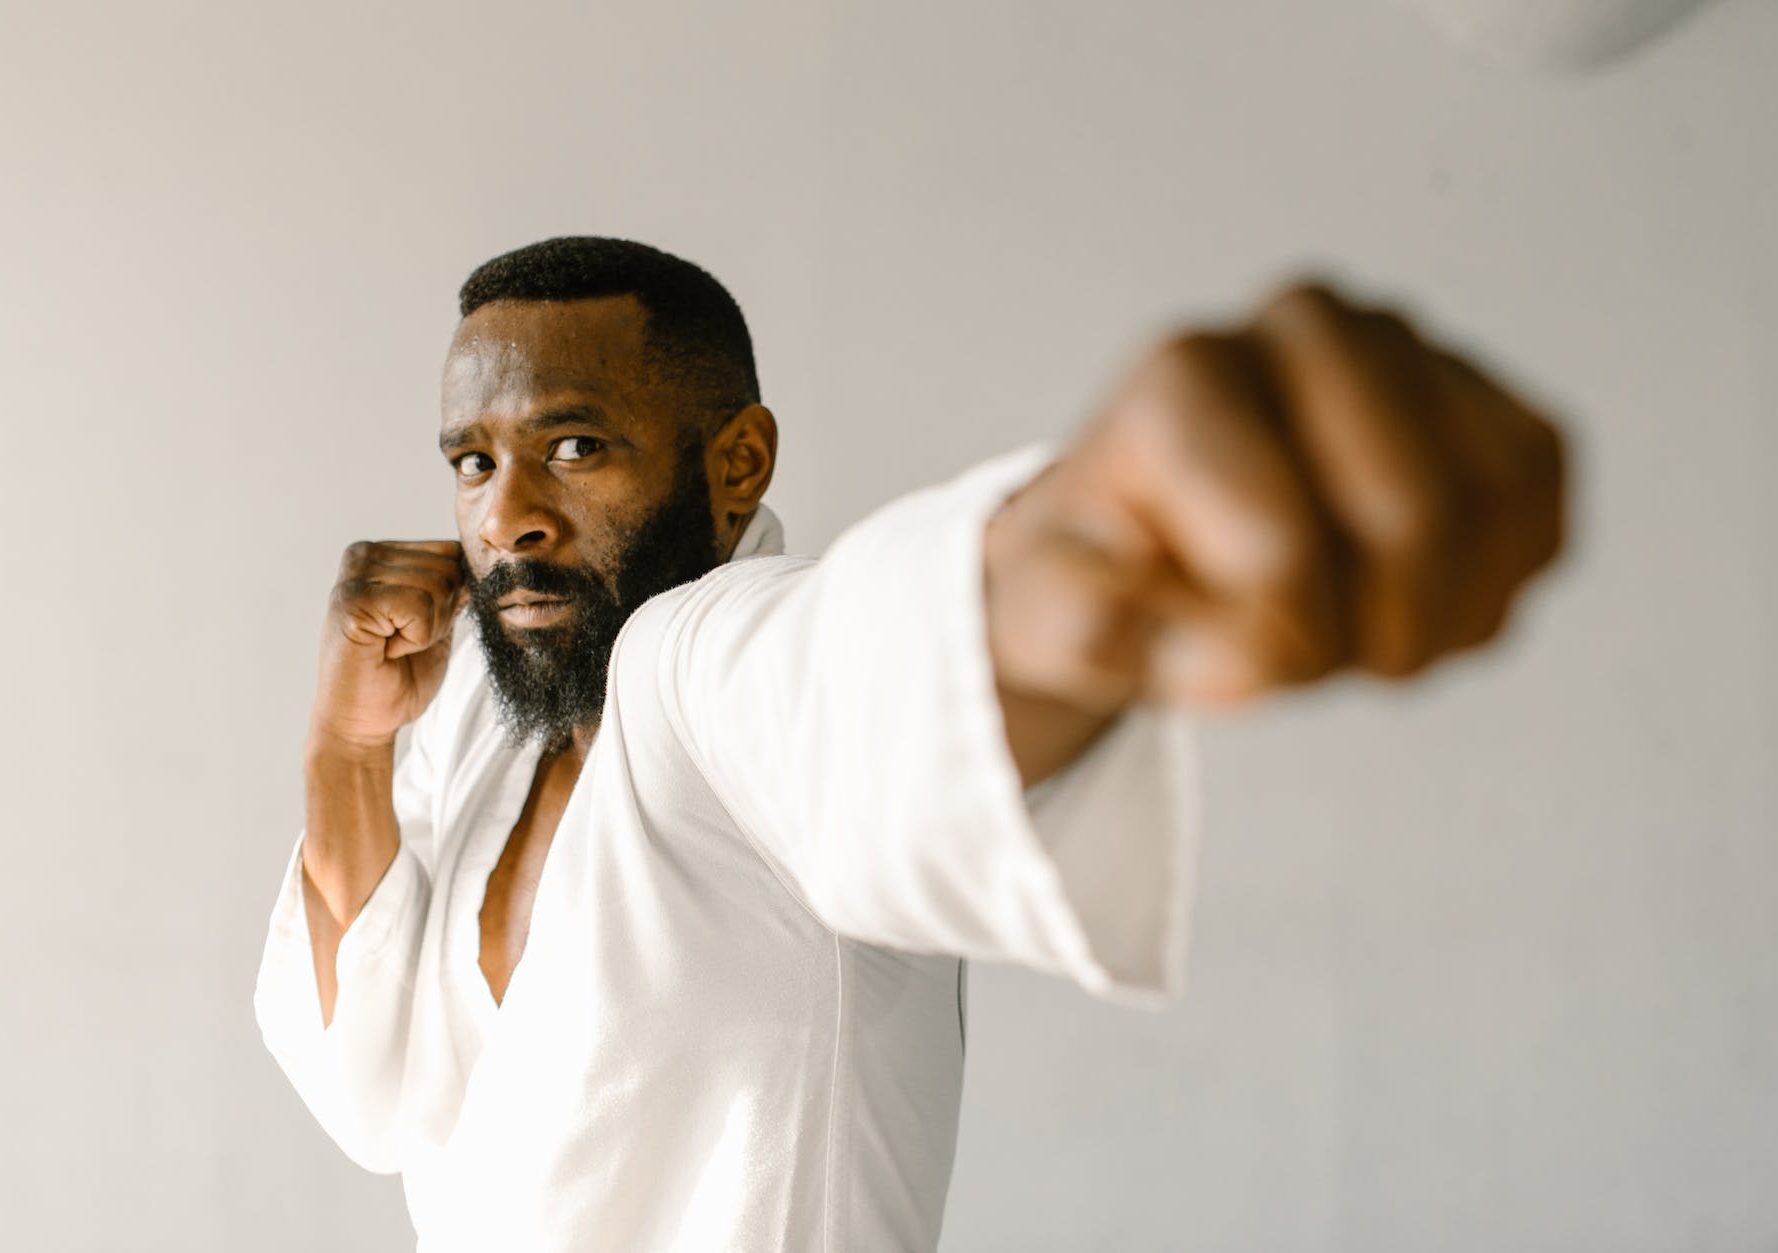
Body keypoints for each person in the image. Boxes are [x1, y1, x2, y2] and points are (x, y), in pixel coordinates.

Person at [255, 236, 1565, 1250]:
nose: (510, 518)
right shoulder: (487, 711)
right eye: (473, 462)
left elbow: (861, 666)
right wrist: (344, 745)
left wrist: (1103, 541)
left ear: (737, 462)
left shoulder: (700, 669)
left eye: (575, 446)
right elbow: (372, 1090)